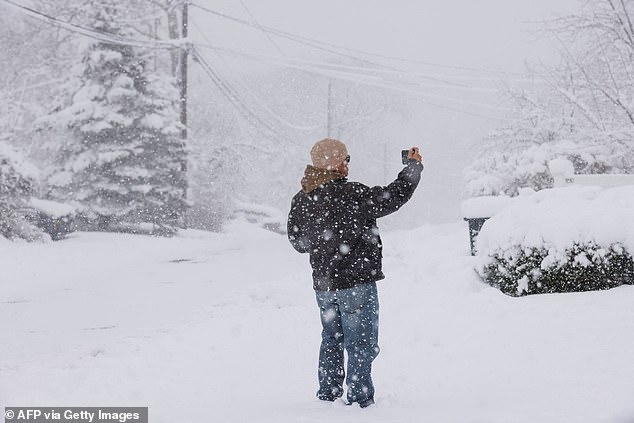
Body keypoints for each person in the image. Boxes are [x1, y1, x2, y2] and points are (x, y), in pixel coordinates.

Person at [287, 138, 424, 408]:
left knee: (331, 338)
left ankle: (328, 395)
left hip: (324, 287)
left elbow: (297, 243)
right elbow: (393, 196)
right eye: (346, 159)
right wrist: (413, 168)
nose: (348, 164)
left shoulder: (302, 199)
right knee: (361, 343)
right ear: (336, 164)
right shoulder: (353, 194)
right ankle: (360, 399)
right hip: (356, 283)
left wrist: (322, 242)